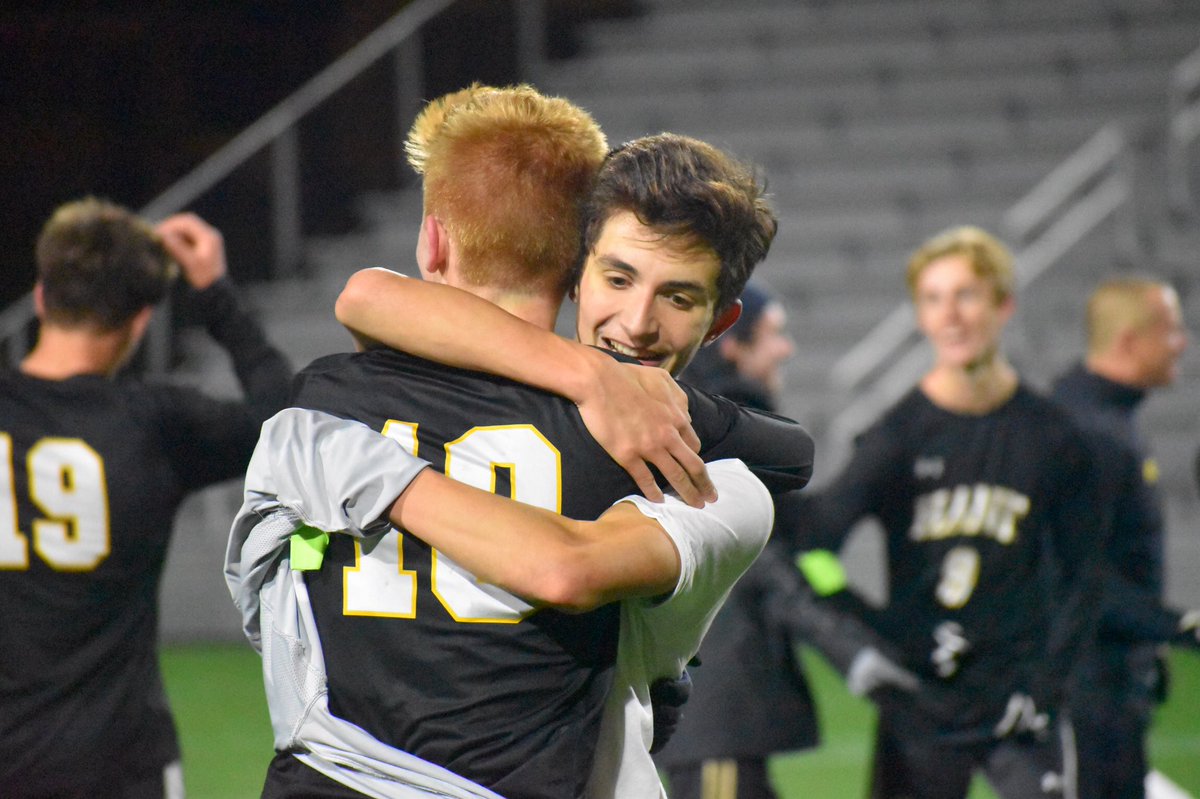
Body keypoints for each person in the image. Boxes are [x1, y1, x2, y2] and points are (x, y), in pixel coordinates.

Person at [226, 85, 813, 799]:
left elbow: (568, 567)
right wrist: (585, 375)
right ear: (576, 269)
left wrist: (376, 476)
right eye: (618, 277)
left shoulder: (329, 409)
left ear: (720, 322)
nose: (634, 322)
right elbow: (367, 296)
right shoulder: (723, 470)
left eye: (679, 297)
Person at [791, 225, 1103, 799]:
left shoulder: (1054, 438)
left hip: (1018, 703)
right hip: (921, 705)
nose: (950, 315)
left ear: (1003, 304)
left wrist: (1046, 684)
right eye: (934, 299)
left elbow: (1082, 577)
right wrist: (874, 632)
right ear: (920, 315)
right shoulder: (895, 438)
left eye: (967, 295)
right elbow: (813, 549)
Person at [0, 197, 292, 798]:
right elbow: (284, 421)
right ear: (139, 321)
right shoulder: (155, 423)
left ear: (41, 296)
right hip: (117, 761)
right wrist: (215, 293)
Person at [655, 281, 919, 799]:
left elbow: (802, 552)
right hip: (719, 709)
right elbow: (767, 565)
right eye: (773, 333)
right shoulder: (722, 432)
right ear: (733, 344)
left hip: (720, 711)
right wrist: (853, 652)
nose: (787, 348)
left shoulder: (722, 422)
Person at [1049, 276, 1199, 799]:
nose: (1182, 341)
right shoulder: (1089, 431)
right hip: (1081, 694)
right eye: (1172, 329)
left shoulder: (1106, 418)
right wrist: (1181, 627)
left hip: (1104, 685)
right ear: (1131, 341)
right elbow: (1076, 578)